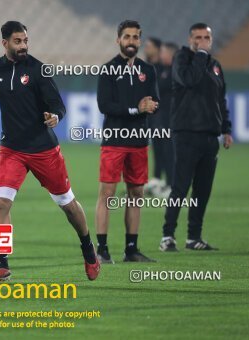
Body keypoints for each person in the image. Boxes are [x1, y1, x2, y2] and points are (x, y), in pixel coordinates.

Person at [0, 21, 100, 281]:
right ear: (5, 43)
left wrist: (55, 116)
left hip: (44, 150)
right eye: (18, 41)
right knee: (0, 203)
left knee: (68, 205)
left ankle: (88, 249)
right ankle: (0, 263)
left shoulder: (39, 70)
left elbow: (58, 105)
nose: (24, 46)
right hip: (11, 150)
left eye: (26, 41)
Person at [159, 23, 232, 252]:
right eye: (198, 37)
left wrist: (226, 129)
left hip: (210, 137)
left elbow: (221, 100)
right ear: (190, 39)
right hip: (186, 134)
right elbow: (188, 80)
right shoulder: (182, 59)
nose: (202, 41)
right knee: (180, 187)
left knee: (202, 190)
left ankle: (193, 237)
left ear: (211, 39)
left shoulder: (215, 65)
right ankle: (167, 236)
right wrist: (200, 54)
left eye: (206, 38)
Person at [95, 20, 159, 264]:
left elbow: (155, 101)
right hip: (114, 139)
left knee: (137, 193)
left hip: (139, 141)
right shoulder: (108, 70)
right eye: (127, 37)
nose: (131, 41)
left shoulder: (148, 70)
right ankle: (101, 250)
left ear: (140, 41)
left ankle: (131, 249)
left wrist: (152, 106)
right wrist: (136, 108)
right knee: (108, 195)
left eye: (135, 37)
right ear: (118, 40)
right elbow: (105, 106)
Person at [144, 37, 171, 198]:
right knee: (156, 148)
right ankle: (156, 180)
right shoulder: (145, 67)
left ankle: (168, 183)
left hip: (164, 115)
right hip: (150, 116)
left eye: (149, 46)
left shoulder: (164, 69)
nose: (146, 48)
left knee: (166, 149)